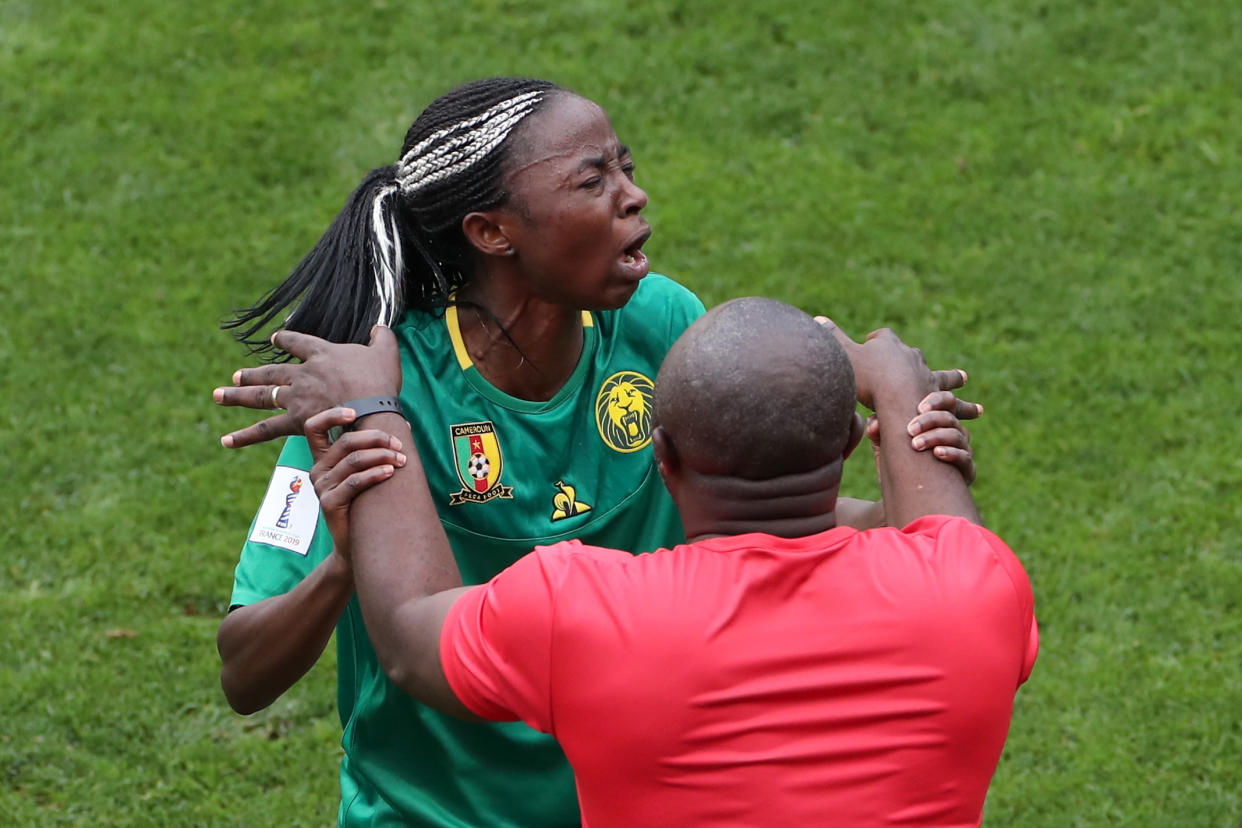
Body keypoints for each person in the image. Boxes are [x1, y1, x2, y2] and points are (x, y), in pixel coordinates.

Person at [213, 77, 982, 826]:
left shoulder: (660, 322)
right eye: (591, 180)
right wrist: (354, 563)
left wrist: (906, 498)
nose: (632, 195)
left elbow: (757, 513)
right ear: (492, 231)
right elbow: (245, 672)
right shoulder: (378, 389)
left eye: (626, 168)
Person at [275, 298, 1038, 827]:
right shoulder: (976, 589)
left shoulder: (583, 609)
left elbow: (410, 635)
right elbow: (942, 516)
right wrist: (901, 391)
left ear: (662, 457)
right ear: (846, 444)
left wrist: (373, 410)